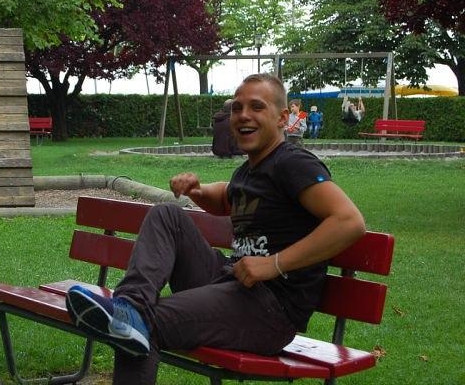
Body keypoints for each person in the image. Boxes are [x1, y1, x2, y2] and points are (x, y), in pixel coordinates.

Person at [65, 73, 366, 385]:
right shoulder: (250, 170)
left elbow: (349, 221)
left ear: (282, 118)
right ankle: (129, 305)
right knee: (167, 214)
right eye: (237, 108)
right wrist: (197, 191)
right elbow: (226, 198)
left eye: (257, 107)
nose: (243, 115)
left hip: (269, 309)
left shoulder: (293, 163)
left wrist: (274, 264)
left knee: (146, 326)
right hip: (232, 282)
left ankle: (132, 319)